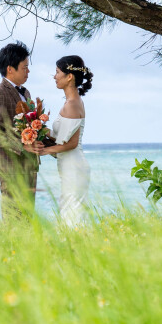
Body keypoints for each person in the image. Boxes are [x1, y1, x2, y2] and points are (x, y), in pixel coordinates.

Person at [0, 40, 40, 216]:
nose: (28, 71)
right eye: (24, 67)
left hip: (29, 164)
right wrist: (23, 145)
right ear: (10, 69)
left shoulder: (25, 93)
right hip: (10, 166)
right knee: (13, 217)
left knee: (28, 216)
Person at [41, 55, 92, 226]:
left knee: (73, 215)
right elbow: (61, 137)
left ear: (69, 76)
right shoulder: (72, 102)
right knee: (69, 211)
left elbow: (71, 143)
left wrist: (43, 151)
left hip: (73, 166)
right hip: (69, 165)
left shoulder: (72, 104)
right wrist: (38, 129)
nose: (54, 77)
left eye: (57, 72)